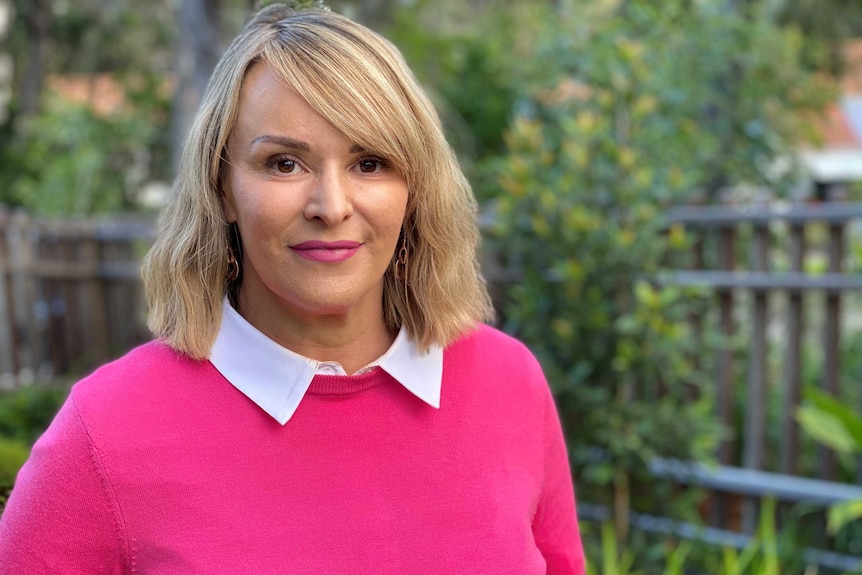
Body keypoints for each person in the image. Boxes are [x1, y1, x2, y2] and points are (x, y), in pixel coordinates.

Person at [0, 4, 585, 573]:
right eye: (284, 164)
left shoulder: (509, 384)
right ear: (222, 188)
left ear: (416, 188)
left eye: (370, 163)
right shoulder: (104, 435)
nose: (331, 207)